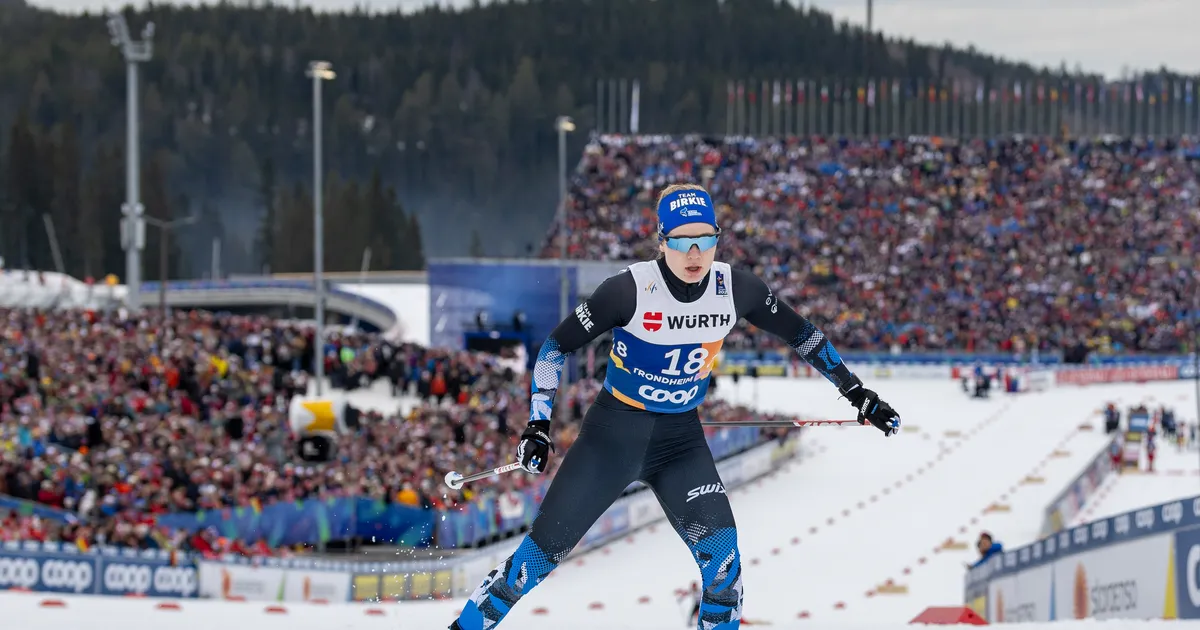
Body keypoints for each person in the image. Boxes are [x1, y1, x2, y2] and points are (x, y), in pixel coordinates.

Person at [449, 184, 902, 630]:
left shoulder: (735, 289)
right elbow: (553, 349)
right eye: (683, 242)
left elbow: (803, 335)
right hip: (611, 439)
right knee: (531, 565)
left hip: (680, 443)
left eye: (706, 241)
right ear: (662, 242)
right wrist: (537, 425)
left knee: (724, 567)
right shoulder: (627, 290)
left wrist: (856, 392)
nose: (695, 255)